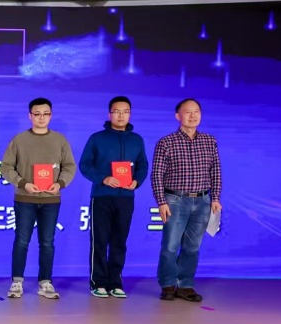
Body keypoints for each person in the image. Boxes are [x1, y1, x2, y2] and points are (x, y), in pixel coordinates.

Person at [1, 98, 77, 300]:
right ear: (30, 116)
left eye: (46, 114)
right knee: (22, 240)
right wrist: (22, 183)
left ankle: (45, 282)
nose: (41, 118)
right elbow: (6, 167)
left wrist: (59, 183)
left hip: (51, 200)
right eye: (37, 114)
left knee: (47, 242)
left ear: (51, 115)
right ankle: (17, 282)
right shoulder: (19, 140)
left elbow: (70, 166)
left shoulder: (60, 140)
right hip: (25, 198)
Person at [151, 98, 222, 303]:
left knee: (192, 247)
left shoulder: (209, 141)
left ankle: (185, 285)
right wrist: (161, 201)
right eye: (188, 112)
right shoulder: (166, 142)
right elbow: (157, 174)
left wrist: (216, 198)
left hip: (202, 200)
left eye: (197, 111)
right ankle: (167, 284)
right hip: (175, 200)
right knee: (170, 245)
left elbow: (215, 171)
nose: (193, 116)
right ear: (178, 116)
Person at [78, 96, 148, 299]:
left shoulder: (136, 140)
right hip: (101, 196)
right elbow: (85, 165)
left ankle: (115, 282)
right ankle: (98, 282)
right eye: (117, 111)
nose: (121, 115)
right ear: (109, 114)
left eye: (125, 112)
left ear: (130, 114)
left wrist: (137, 181)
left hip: (126, 197)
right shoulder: (97, 138)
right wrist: (104, 178)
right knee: (99, 241)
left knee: (119, 241)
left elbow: (143, 165)